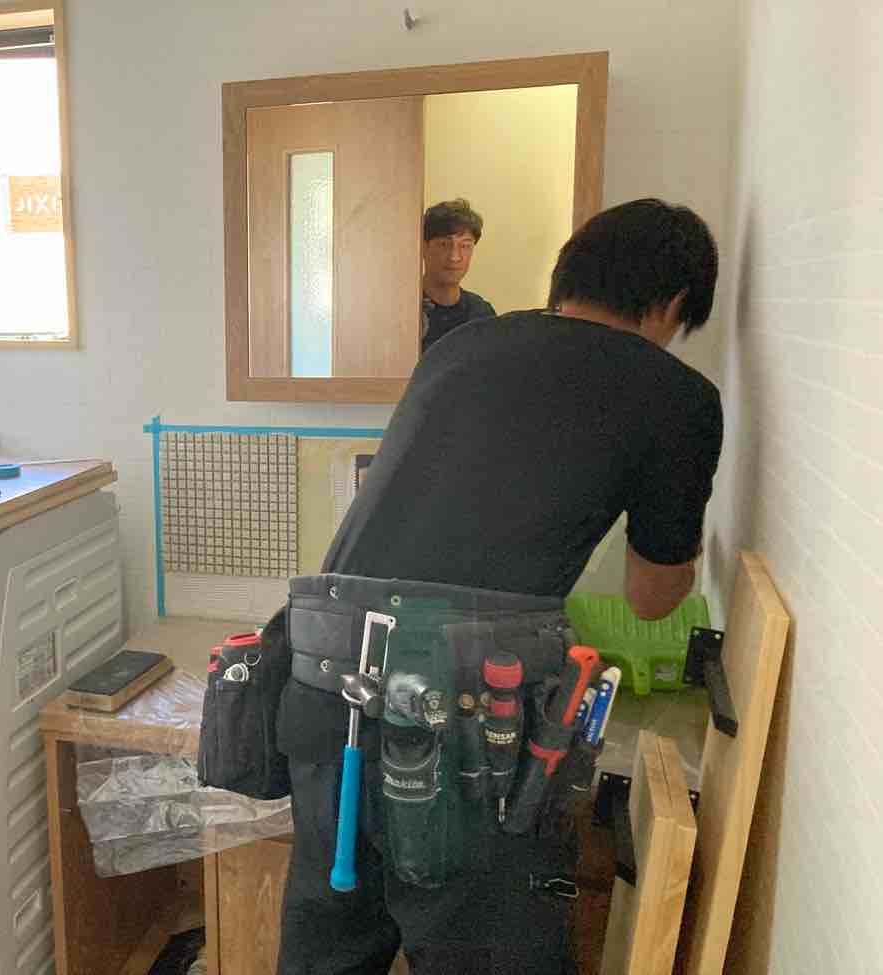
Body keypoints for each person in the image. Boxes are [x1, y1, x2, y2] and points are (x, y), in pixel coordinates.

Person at [276, 198, 723, 974]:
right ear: (672, 303)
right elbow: (653, 597)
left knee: (329, 951)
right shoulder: (675, 395)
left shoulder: (463, 345)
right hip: (465, 719)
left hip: (325, 682)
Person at [420, 199, 497, 356]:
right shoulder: (405, 308)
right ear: (423, 247)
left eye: (465, 246)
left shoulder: (481, 313)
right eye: (444, 244)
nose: (455, 257)